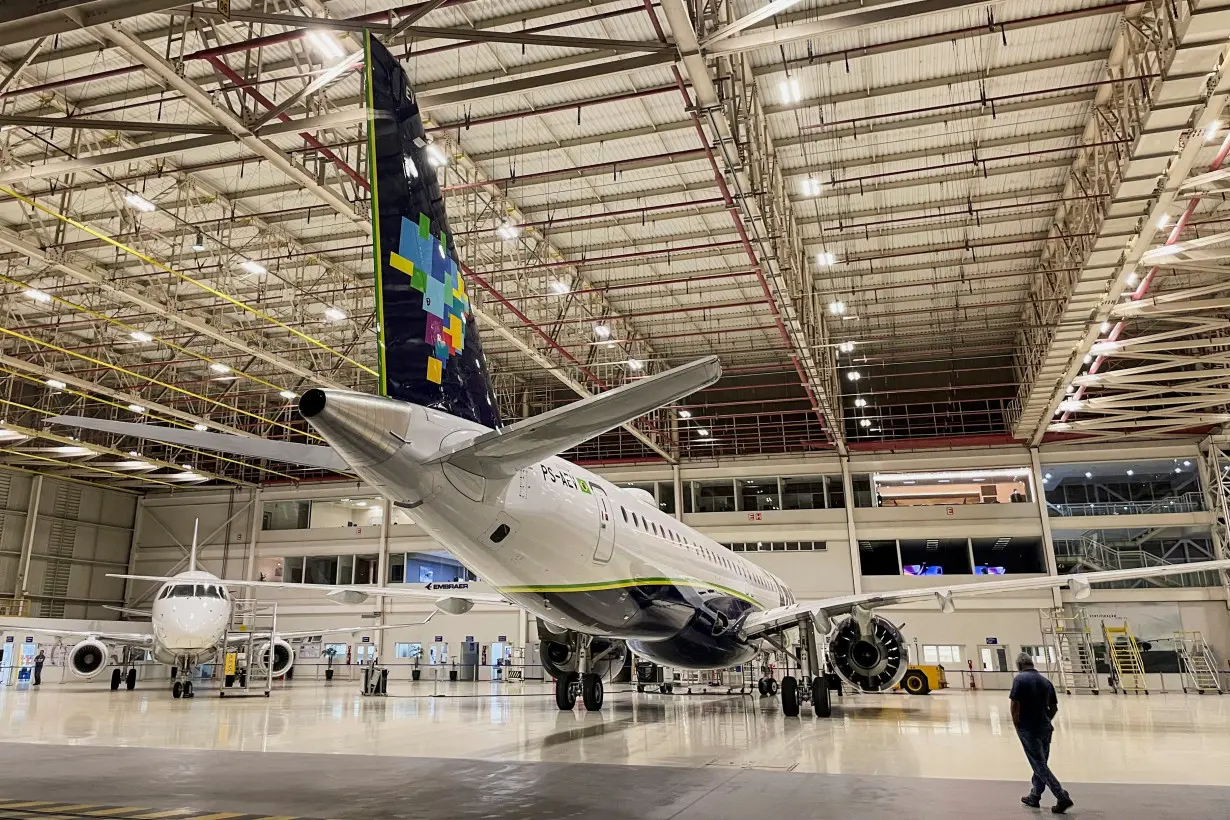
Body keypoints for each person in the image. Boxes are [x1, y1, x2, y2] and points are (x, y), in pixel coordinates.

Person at [1010, 652, 1072, 814]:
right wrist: (1046, 720)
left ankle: (1061, 795)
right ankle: (1035, 796)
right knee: (1041, 763)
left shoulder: (1019, 680)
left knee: (1039, 764)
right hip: (1045, 728)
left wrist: (1017, 725)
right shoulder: (1045, 681)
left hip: (1028, 728)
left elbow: (1015, 705)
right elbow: (1054, 707)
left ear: (1019, 666)